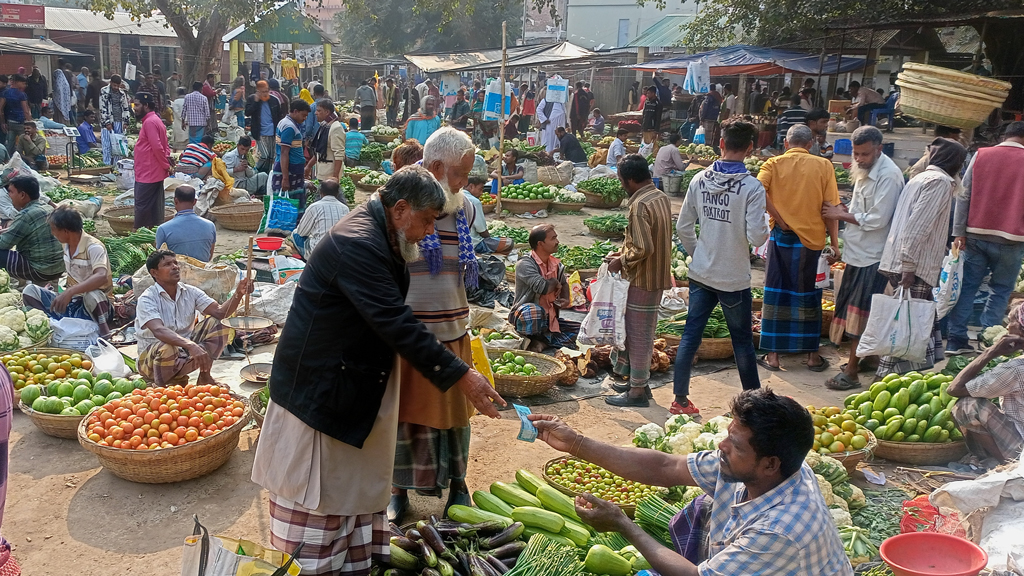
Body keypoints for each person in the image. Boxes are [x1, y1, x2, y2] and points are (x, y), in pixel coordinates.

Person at [252, 166, 504, 574]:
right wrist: (462, 375)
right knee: (317, 509)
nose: (427, 232)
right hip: (320, 397)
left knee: (352, 503)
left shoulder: (383, 233)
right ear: (401, 209)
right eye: (425, 221)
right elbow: (394, 320)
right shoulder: (356, 243)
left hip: (350, 385)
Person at [525, 388, 853, 576]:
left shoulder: (780, 529)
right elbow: (668, 465)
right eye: (728, 435)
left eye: (735, 445)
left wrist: (623, 524)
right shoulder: (771, 468)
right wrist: (575, 443)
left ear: (770, 464)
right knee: (704, 504)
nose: (722, 446)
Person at [388, 129, 487, 522]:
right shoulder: (400, 204)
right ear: (435, 168)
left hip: (452, 329)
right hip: (409, 335)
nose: (465, 182)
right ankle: (398, 490)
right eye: (460, 174)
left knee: (454, 417)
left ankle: (458, 485)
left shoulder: (462, 207)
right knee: (403, 417)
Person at [673, 121, 768, 415]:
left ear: (721, 144)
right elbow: (757, 236)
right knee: (742, 341)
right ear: (750, 148)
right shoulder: (752, 187)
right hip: (733, 277)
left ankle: (680, 400)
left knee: (691, 335)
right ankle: (752, 405)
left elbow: (683, 226)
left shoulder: (699, 180)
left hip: (701, 273)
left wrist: (698, 253)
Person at [874, 138, 967, 378]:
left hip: (905, 260)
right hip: (914, 265)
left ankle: (899, 375)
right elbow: (917, 227)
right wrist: (908, 265)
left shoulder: (921, 178)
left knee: (911, 323)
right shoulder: (939, 182)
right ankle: (884, 378)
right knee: (905, 327)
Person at [822, 126, 904, 390]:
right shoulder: (864, 170)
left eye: (865, 154)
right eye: (856, 154)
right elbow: (861, 209)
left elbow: (878, 220)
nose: (859, 159)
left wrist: (840, 215)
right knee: (853, 311)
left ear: (879, 149)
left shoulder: (889, 176)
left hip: (874, 256)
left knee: (860, 315)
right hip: (857, 252)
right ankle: (869, 358)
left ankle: (853, 371)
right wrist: (846, 210)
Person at [757, 124, 840, 372]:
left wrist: (779, 218)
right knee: (808, 296)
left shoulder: (772, 164)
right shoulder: (824, 166)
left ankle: (773, 356)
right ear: (810, 144)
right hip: (811, 242)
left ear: (785, 143)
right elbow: (830, 208)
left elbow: (756, 191)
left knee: (776, 293)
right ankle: (812, 356)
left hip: (781, 238)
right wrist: (834, 243)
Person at [947, 122, 1024, 355]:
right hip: (1012, 238)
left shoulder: (981, 155)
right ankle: (988, 341)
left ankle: (955, 340)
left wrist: (959, 231)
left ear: (1005, 136)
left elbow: (964, 195)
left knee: (968, 287)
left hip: (976, 234)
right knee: (1000, 290)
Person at [605, 155, 673, 407]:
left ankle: (636, 393)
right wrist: (622, 252)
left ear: (631, 180)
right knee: (640, 332)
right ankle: (638, 383)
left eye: (622, 180)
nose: (622, 184)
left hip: (642, 279)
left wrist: (620, 261)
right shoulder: (661, 197)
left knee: (639, 335)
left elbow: (643, 247)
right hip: (656, 277)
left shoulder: (639, 205)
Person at [135, 249, 252, 386]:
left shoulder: (190, 292)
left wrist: (239, 293)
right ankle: (161, 388)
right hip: (151, 362)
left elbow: (220, 313)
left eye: (175, 263)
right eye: (167, 264)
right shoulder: (147, 298)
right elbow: (159, 331)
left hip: (184, 353)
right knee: (167, 346)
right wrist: (191, 345)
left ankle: (204, 376)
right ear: (154, 273)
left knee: (219, 322)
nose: (175, 267)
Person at [948, 302, 1024, 463]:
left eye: (1011, 321)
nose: (1007, 326)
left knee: (967, 406)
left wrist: (990, 352)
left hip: (1021, 450)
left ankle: (1006, 466)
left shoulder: (1017, 368)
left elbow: (954, 389)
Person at [21, 207, 113, 337]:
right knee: (30, 291)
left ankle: (104, 333)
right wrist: (65, 294)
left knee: (92, 295)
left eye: (53, 229)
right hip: (73, 304)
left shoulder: (94, 247)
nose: (52, 233)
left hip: (96, 307)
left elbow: (101, 276)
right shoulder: (66, 244)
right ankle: (52, 324)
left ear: (65, 231)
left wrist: (70, 291)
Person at [509, 224, 579, 351]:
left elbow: (563, 282)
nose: (557, 242)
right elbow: (543, 288)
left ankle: (544, 342)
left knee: (581, 330)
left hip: (549, 319)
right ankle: (531, 339)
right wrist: (553, 281)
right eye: (553, 238)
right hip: (528, 316)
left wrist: (565, 299)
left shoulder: (556, 264)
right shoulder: (525, 264)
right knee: (534, 312)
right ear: (540, 243)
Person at [0, 177, 64, 283]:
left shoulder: (26, 215)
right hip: (59, 269)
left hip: (41, 271)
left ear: (22, 195)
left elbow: (4, 244)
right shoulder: (48, 208)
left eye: (11, 192)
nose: (9, 196)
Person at [133, 92, 172, 229]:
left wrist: (166, 165)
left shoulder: (150, 122)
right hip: (153, 172)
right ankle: (153, 233)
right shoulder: (155, 120)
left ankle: (138, 233)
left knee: (142, 206)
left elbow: (158, 147)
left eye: (137, 105)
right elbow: (165, 146)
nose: (135, 108)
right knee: (154, 207)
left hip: (148, 173)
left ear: (147, 105)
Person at [153, 185, 217, 262]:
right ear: (194, 202)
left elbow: (160, 260)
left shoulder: (163, 229)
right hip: (203, 270)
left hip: (177, 272)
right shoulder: (210, 225)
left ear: (175, 201)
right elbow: (209, 256)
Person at [292, 178, 350, 258]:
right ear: (337, 193)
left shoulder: (314, 207)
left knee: (295, 233)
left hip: (318, 252)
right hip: (339, 251)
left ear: (321, 192)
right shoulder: (345, 209)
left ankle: (306, 259)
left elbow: (301, 232)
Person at [464, 174, 512, 255]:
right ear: (471, 186)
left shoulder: (456, 196)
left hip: (458, 242)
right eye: (480, 189)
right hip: (473, 244)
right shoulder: (474, 202)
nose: (481, 193)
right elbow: (482, 230)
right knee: (509, 243)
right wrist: (490, 239)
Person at [246, 80, 283, 174]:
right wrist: (256, 102)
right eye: (262, 92)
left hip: (273, 131)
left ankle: (267, 174)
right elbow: (247, 112)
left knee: (271, 157)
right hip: (259, 132)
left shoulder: (274, 100)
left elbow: (279, 116)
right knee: (264, 156)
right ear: (258, 91)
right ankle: (256, 171)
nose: (265, 94)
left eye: (266, 91)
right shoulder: (252, 99)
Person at [306, 99, 346, 182]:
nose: (315, 113)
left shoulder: (336, 128)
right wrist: (309, 166)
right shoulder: (324, 126)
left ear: (327, 112)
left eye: (319, 111)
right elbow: (319, 151)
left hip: (329, 176)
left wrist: (335, 177)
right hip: (322, 173)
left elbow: (339, 154)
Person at [99, 74, 131, 165]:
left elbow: (125, 108)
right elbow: (102, 108)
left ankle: (117, 166)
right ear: (111, 83)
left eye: (118, 85)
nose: (116, 87)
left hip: (119, 122)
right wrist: (107, 122)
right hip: (107, 123)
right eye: (114, 85)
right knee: (107, 145)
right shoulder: (104, 91)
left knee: (118, 144)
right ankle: (107, 165)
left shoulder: (122, 93)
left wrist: (126, 121)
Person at [0, 74, 30, 156]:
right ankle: (25, 159)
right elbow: (26, 111)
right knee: (24, 143)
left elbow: (1, 109)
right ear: (17, 82)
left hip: (10, 122)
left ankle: (7, 160)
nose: (25, 85)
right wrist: (30, 122)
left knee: (10, 144)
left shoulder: (6, 93)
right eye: (23, 83)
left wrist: (3, 122)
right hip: (20, 122)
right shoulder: (21, 94)